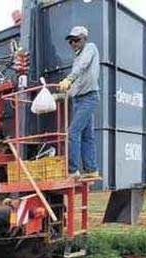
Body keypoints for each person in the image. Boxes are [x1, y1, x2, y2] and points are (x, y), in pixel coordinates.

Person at [58, 26, 100, 179]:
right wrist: (61, 96)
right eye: (71, 41)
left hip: (89, 98)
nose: (74, 43)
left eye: (76, 40)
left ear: (84, 38)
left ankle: (72, 171)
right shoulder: (76, 58)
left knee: (73, 132)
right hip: (78, 100)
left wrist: (69, 79)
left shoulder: (90, 48)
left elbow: (81, 68)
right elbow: (76, 84)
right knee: (87, 135)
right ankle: (91, 170)